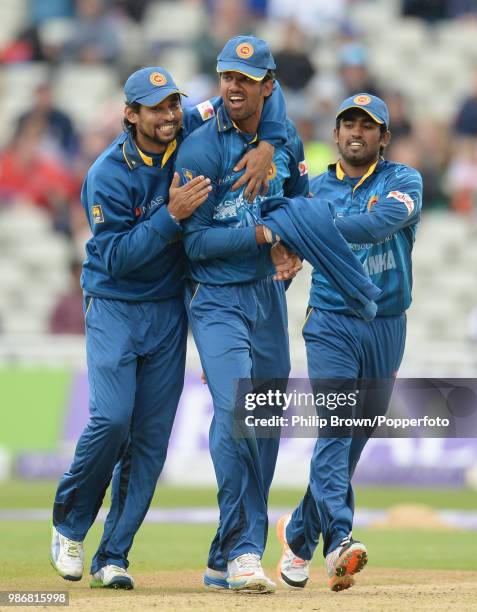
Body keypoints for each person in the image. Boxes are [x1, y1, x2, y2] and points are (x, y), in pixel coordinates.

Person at [49, 64, 289, 590]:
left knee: (151, 443)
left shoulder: (189, 125)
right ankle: (69, 525)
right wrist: (170, 217)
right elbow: (114, 259)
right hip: (114, 303)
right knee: (112, 421)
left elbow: (260, 98)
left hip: (169, 310)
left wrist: (269, 144)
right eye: (156, 108)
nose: (169, 116)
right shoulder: (107, 174)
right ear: (130, 114)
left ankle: (113, 555)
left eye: (173, 105)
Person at [176, 35, 309, 594]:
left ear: (268, 87)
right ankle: (245, 550)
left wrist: (294, 244)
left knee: (265, 424)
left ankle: (222, 553)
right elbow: (195, 244)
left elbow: (300, 200)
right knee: (237, 409)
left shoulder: (285, 138)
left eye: (246, 79)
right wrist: (261, 235)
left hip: (266, 300)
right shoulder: (201, 150)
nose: (233, 86)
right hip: (216, 297)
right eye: (227, 76)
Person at [276, 94, 423, 592]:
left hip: (387, 324)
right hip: (332, 322)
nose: (357, 132)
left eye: (368, 125)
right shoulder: (315, 189)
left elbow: (382, 222)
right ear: (335, 135)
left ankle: (297, 537)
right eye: (348, 124)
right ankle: (340, 541)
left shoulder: (403, 181)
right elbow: (284, 252)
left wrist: (316, 228)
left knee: (353, 441)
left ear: (384, 137)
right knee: (337, 428)